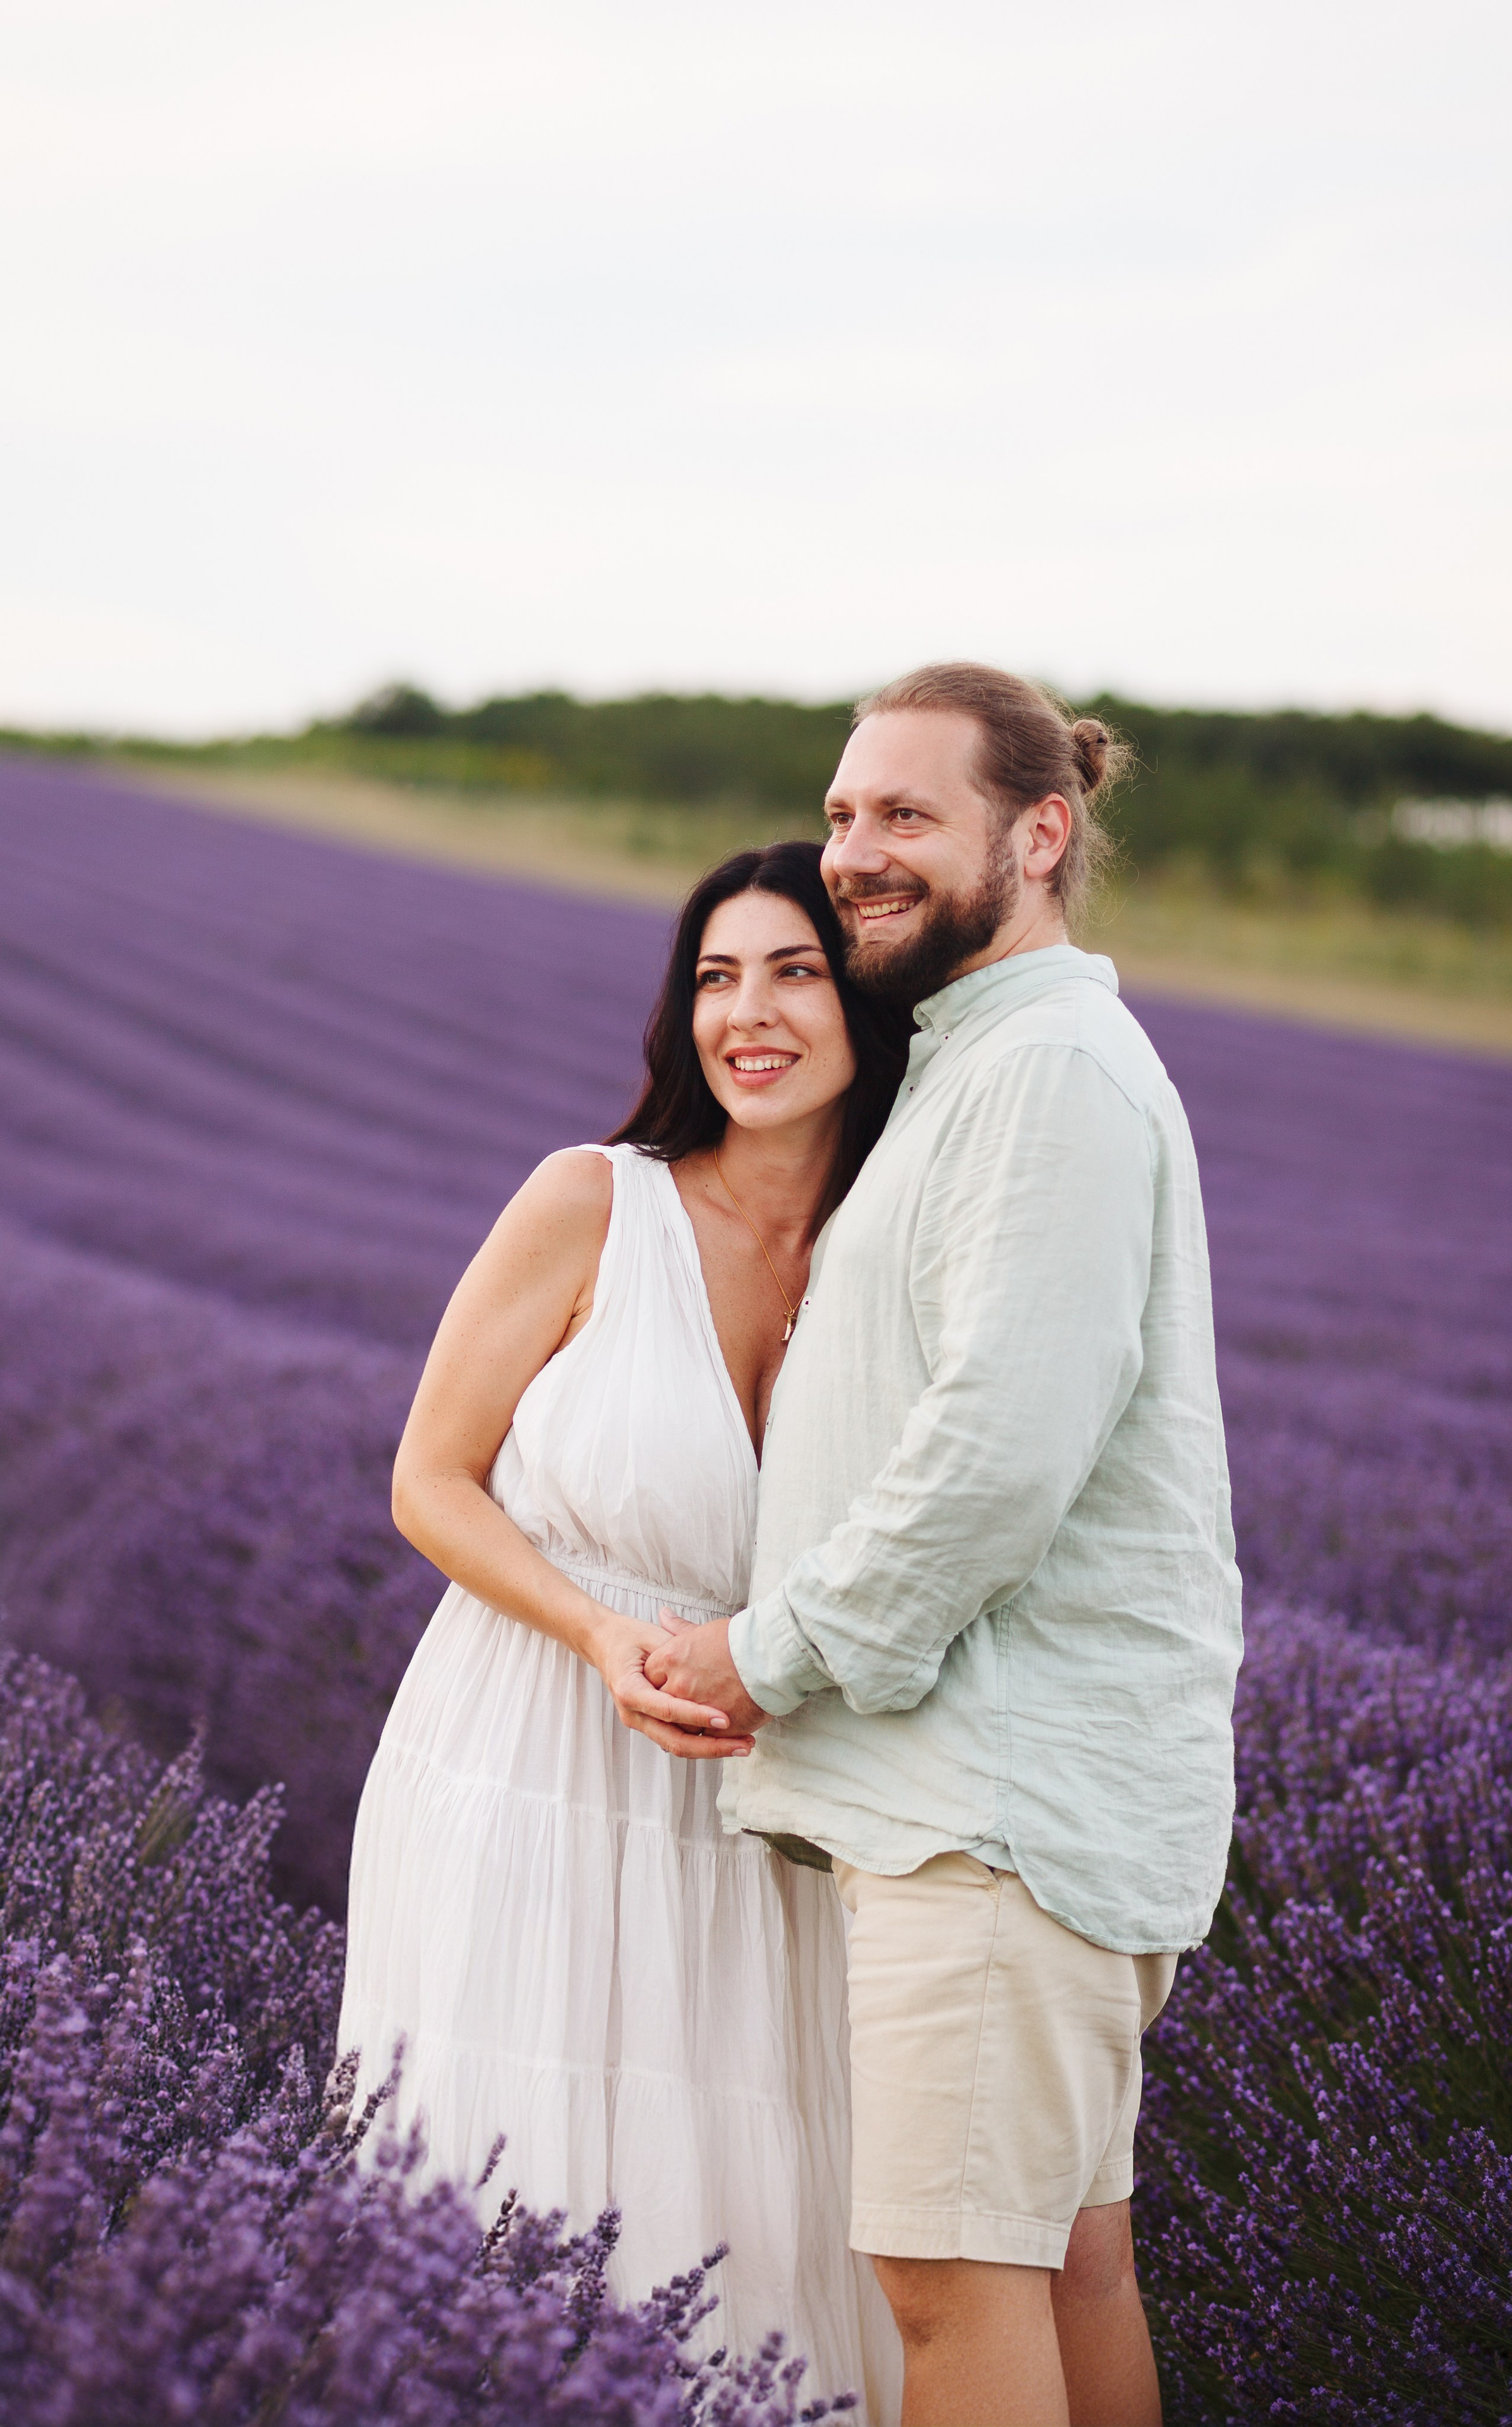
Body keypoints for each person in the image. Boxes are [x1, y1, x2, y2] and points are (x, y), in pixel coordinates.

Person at [649, 665, 1243, 2427]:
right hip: (1005, 1788)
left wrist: (765, 1652)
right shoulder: (986, 1059)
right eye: (843, 813)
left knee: (946, 2294)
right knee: (1061, 2266)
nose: (854, 853)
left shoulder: (1049, 1072)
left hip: (991, 1804)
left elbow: (998, 1453)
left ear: (1040, 833)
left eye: (906, 814)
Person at [337, 841, 908, 2421]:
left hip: (758, 1814)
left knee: (748, 2214)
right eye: (717, 978)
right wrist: (598, 1635)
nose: (751, 1014)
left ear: (868, 1001)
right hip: (523, 1759)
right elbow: (428, 1482)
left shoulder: (895, 1270)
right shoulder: (592, 1200)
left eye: (795, 970)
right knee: (505, 2176)